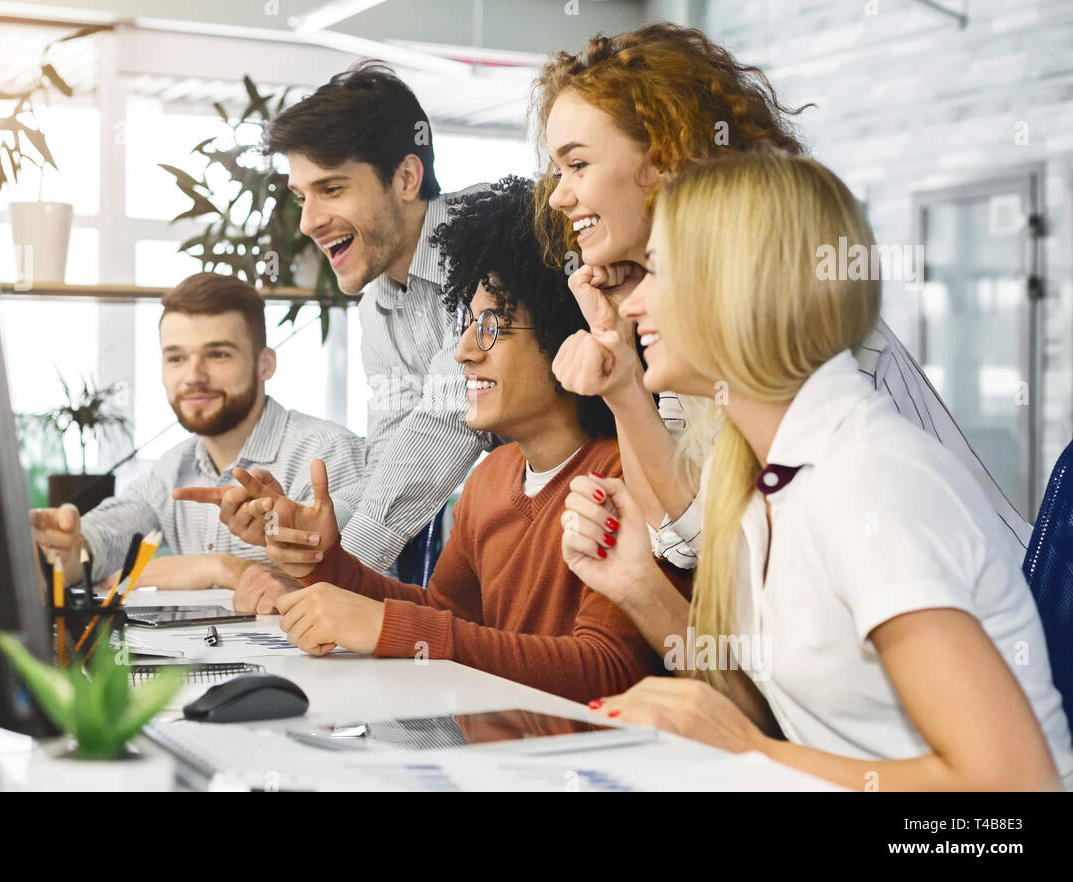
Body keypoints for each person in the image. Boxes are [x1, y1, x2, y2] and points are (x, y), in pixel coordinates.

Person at [561, 151, 1073, 790]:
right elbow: (777, 718)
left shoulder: (868, 482)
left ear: (740, 287)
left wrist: (748, 752)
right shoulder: (763, 478)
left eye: (658, 271)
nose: (634, 303)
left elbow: (1013, 788)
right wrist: (639, 583)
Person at [538, 24, 1032, 570]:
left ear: (661, 156)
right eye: (557, 170)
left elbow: (712, 541)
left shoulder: (772, 302)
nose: (559, 195)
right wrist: (623, 371)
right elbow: (679, 542)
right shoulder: (688, 315)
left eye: (577, 164)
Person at [207, 177, 664, 703]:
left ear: (563, 331)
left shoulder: (627, 472)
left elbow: (606, 670)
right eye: (468, 323)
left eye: (491, 325)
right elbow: (448, 618)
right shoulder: (493, 477)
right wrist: (325, 564)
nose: (463, 351)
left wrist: (387, 627)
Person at [256, 61, 491, 579]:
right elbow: (391, 455)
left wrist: (342, 570)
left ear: (407, 177)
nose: (309, 221)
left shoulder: (487, 238)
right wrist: (313, 525)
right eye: (302, 196)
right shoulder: (379, 304)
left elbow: (450, 420)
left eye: (332, 189)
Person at [29, 272, 366, 590]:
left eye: (218, 354)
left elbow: (360, 589)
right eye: (176, 359)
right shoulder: (173, 468)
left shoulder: (328, 454)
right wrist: (67, 547)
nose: (193, 377)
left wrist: (221, 568)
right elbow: (106, 537)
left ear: (265, 364)